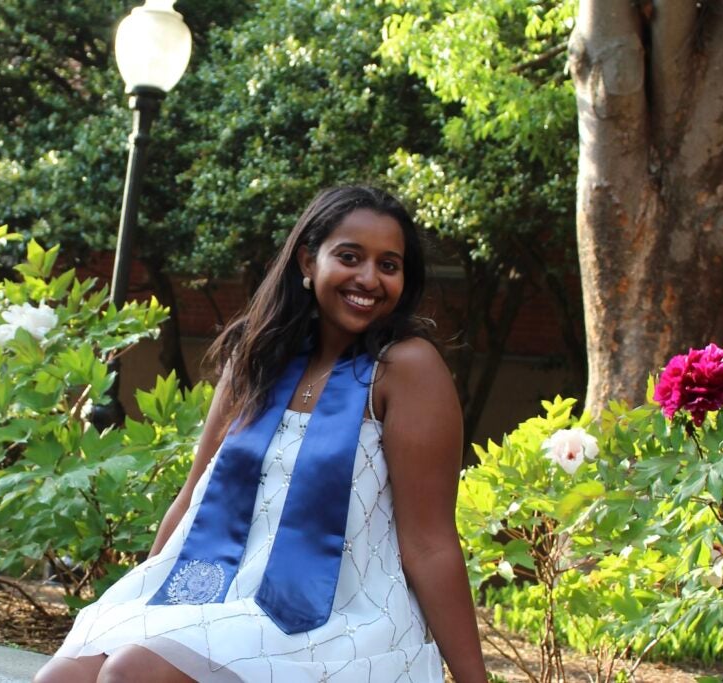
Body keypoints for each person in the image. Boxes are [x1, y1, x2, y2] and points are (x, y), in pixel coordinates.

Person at [33, 185, 487, 683]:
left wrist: (473, 679)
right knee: (61, 679)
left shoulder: (405, 369)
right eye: (350, 256)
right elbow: (192, 496)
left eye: (389, 265)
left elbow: (430, 543)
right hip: (224, 598)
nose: (368, 278)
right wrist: (149, 597)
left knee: (132, 672)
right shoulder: (258, 357)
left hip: (343, 621)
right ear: (308, 261)